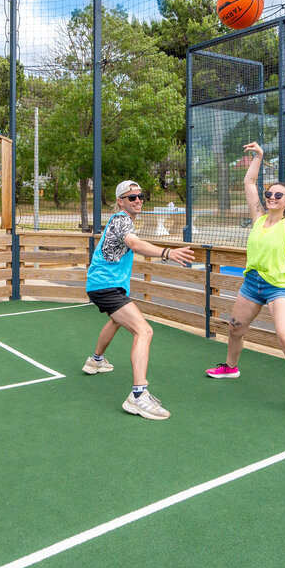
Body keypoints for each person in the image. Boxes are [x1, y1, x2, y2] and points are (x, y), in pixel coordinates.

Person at [206, 143, 285, 419]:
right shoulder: (258, 219)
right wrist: (259, 156)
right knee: (234, 329)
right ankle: (231, 367)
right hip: (251, 284)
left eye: (278, 194)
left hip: (278, 287)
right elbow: (249, 181)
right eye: (269, 193)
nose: (271, 197)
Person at [84, 180, 195, 420]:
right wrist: (168, 252)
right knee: (144, 331)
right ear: (120, 201)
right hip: (106, 287)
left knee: (116, 321)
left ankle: (95, 361)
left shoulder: (123, 221)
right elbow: (134, 244)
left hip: (105, 286)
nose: (137, 200)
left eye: (140, 196)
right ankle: (138, 397)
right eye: (131, 197)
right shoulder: (122, 219)